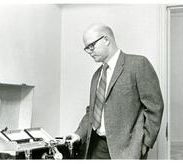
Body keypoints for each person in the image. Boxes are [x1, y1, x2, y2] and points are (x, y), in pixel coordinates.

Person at [66, 23, 164, 159]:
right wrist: (78, 134)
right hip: (96, 148)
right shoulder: (96, 75)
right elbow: (93, 112)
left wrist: (144, 144)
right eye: (86, 48)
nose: (89, 51)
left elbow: (155, 107)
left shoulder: (138, 64)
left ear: (106, 40)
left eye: (91, 46)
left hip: (127, 150)